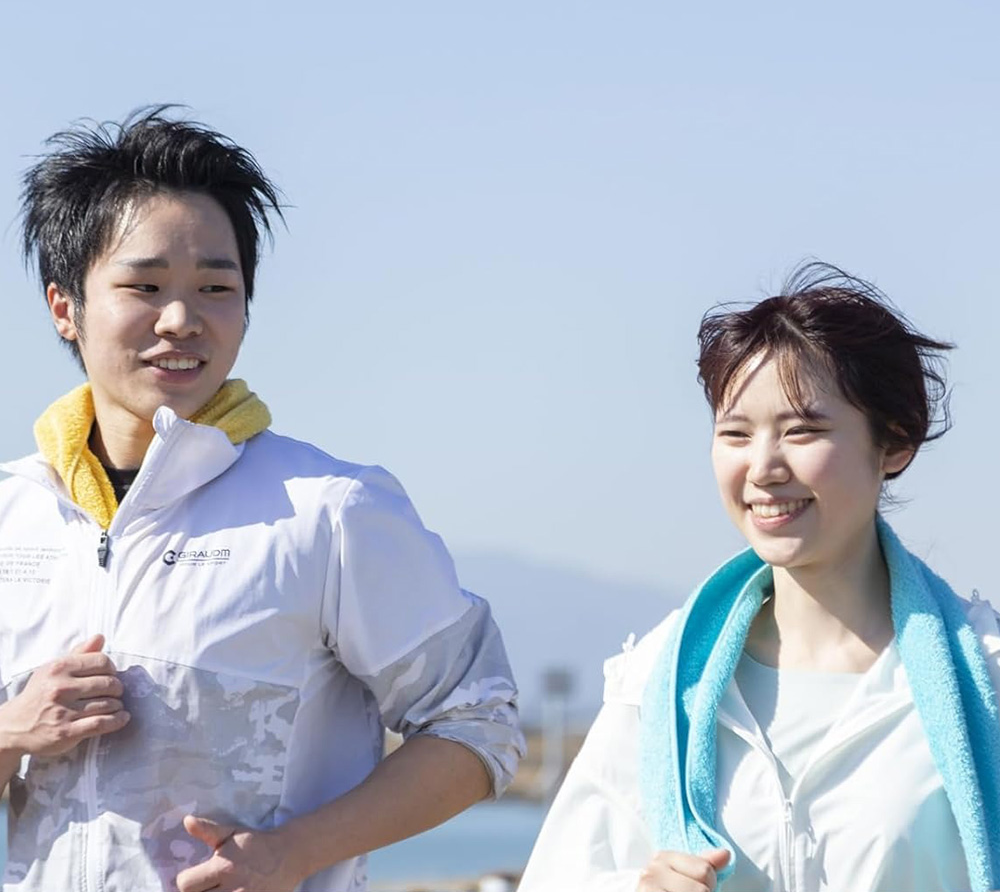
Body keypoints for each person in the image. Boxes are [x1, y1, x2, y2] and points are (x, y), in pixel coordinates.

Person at [0, 108, 524, 892]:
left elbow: (481, 723)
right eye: (144, 286)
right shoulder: (13, 514)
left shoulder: (328, 512)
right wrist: (9, 732)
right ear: (64, 307)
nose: (182, 320)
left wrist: (295, 852)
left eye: (216, 287)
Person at [519, 264, 1000, 892]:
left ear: (895, 442)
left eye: (803, 431)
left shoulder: (984, 675)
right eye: (736, 434)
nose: (763, 467)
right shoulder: (660, 684)